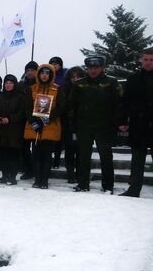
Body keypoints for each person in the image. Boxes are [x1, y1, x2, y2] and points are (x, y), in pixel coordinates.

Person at [69, 56, 122, 193]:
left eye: (96, 67)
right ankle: (83, 184)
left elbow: (118, 104)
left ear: (102, 68)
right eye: (90, 68)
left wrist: (117, 122)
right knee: (83, 156)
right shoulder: (79, 84)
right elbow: (72, 105)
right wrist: (73, 124)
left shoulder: (111, 82)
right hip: (84, 126)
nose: (93, 70)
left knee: (106, 156)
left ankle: (108, 185)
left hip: (104, 126)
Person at [119, 48, 153, 197]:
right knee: (137, 160)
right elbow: (125, 102)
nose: (148, 62)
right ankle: (134, 190)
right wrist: (123, 120)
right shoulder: (133, 79)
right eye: (146, 59)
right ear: (141, 60)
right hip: (138, 124)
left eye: (151, 60)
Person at [24, 64, 64, 189]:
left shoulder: (57, 89)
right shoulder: (32, 88)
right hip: (35, 126)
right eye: (42, 73)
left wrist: (47, 119)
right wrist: (33, 122)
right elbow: (27, 107)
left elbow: (61, 107)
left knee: (46, 154)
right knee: (36, 153)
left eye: (47, 73)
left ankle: (44, 180)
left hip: (50, 126)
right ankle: (37, 179)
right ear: (38, 74)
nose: (44, 75)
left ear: (51, 75)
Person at [0, 75, 25, 185]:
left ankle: (12, 176)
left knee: (13, 154)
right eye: (6, 83)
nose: (8, 85)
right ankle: (5, 175)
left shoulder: (20, 97)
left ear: (14, 84)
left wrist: (10, 119)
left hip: (14, 131)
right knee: (3, 154)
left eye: (11, 83)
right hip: (1, 131)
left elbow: (22, 113)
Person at [61, 66, 85, 183]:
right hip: (68, 125)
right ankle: (70, 175)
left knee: (81, 152)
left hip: (82, 125)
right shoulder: (64, 89)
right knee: (69, 151)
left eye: (78, 77)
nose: (75, 79)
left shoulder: (86, 89)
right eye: (73, 77)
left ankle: (80, 175)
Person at [18, 61, 39, 180]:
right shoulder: (21, 85)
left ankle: (37, 170)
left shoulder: (40, 85)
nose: (30, 73)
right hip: (23, 120)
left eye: (32, 70)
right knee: (24, 148)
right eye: (28, 70)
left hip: (36, 119)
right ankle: (28, 170)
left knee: (36, 148)